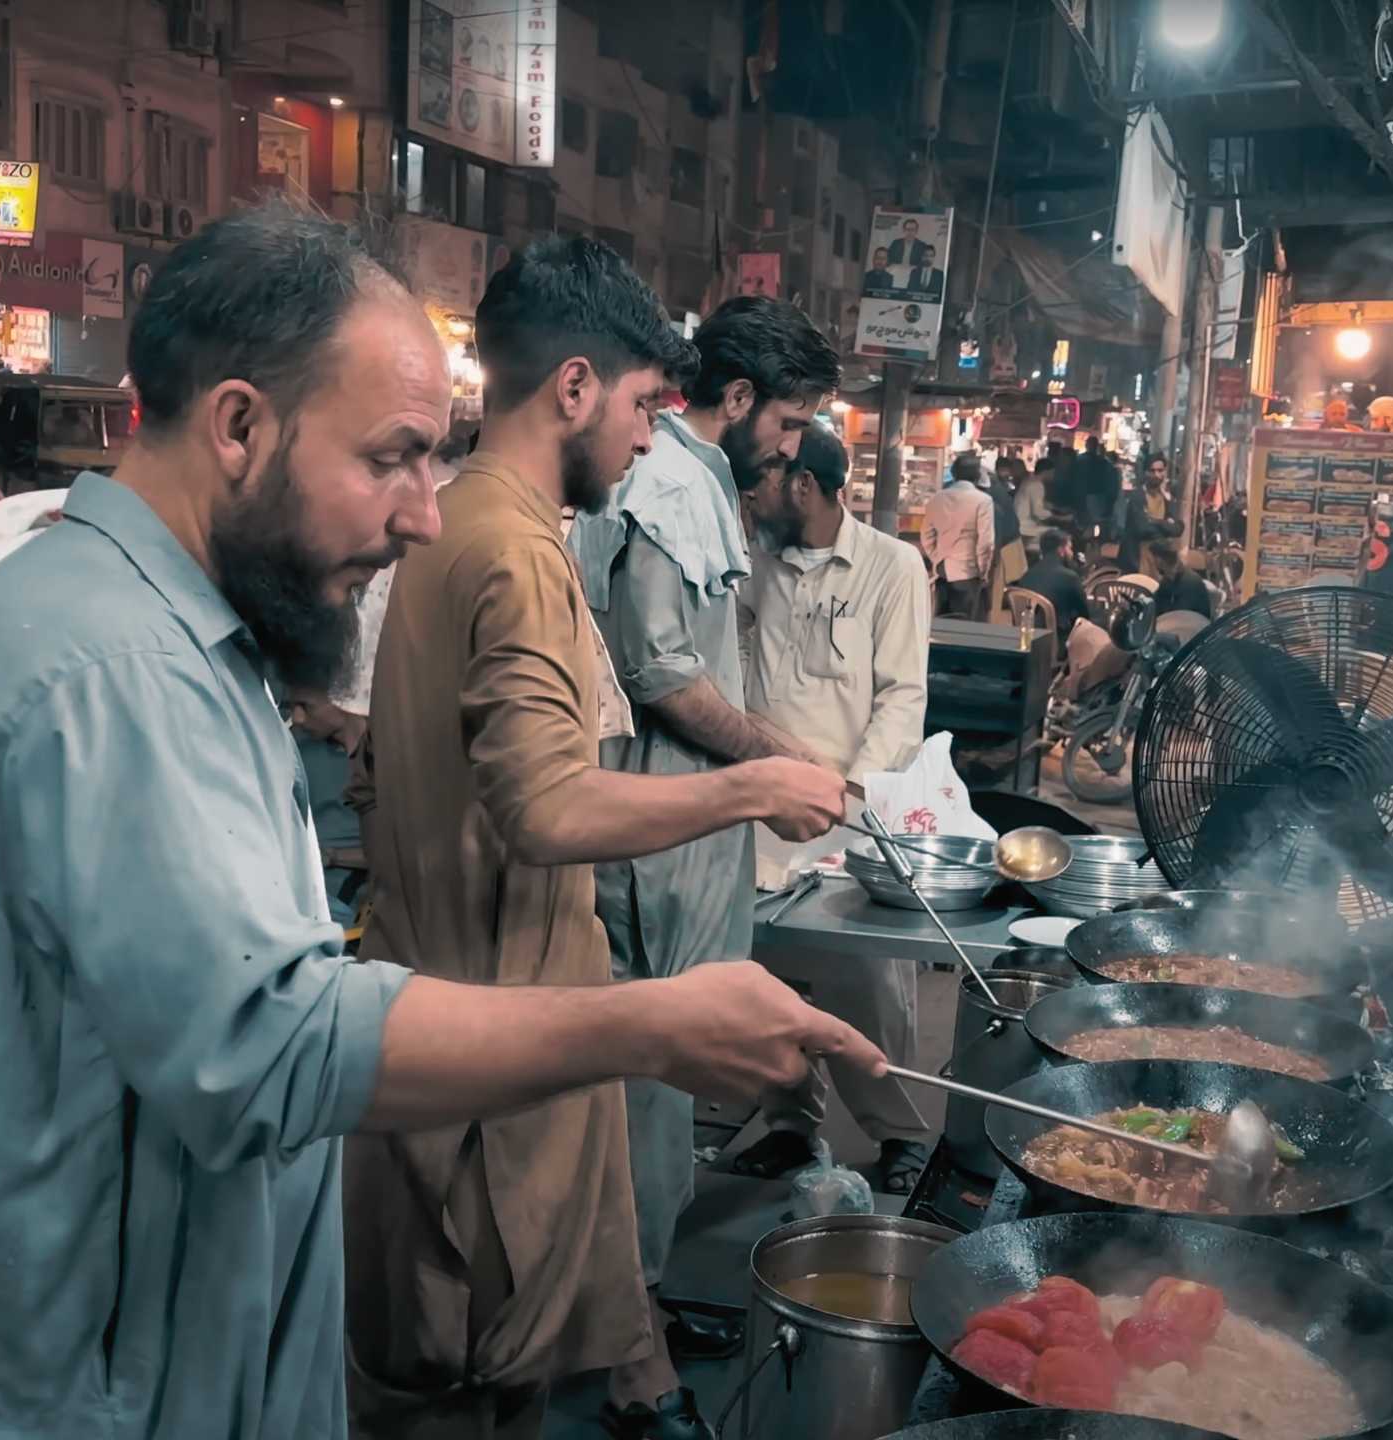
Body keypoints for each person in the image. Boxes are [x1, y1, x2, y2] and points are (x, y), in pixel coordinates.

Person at [0, 202, 882, 1440]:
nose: (422, 511)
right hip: (62, 1391)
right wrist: (653, 1023)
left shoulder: (138, 628)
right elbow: (264, 1047)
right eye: (390, 456)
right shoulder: (112, 664)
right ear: (237, 425)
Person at [342, 236, 854, 1440]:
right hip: (495, 1046)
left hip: (451, 1006)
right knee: (484, 1383)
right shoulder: (518, 551)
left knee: (512, 1352)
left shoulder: (453, 522)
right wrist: (754, 783)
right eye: (636, 406)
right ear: (572, 388)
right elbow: (548, 805)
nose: (643, 437)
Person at [567, 293, 845, 1440]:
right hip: (660, 845)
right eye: (788, 423)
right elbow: (660, 676)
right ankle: (634, 1372)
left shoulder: (691, 481)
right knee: (643, 1101)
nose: (793, 449)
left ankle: (635, 1322)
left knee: (655, 1100)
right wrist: (780, 760)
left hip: (683, 831)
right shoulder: (675, 482)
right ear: (735, 401)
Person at [733, 426, 935, 1189]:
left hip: (851, 814)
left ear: (808, 488)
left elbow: (900, 698)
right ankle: (791, 1127)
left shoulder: (892, 567)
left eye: (769, 482)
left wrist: (849, 795)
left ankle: (901, 1136)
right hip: (762, 810)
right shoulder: (756, 564)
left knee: (869, 989)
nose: (756, 496)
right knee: (770, 982)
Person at [920, 449, 995, 617]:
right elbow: (986, 542)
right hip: (968, 572)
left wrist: (937, 557)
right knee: (965, 626)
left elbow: (926, 535)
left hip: (942, 571)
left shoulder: (937, 498)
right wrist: (983, 572)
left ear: (953, 474)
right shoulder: (983, 501)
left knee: (941, 623)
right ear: (976, 476)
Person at [1116, 453, 1178, 573]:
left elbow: (1177, 528)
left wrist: (1155, 521)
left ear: (1165, 472)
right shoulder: (1137, 496)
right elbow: (1142, 528)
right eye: (1152, 470)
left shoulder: (1166, 498)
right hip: (1137, 561)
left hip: (1158, 561)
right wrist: (1166, 526)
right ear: (1146, 473)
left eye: (1160, 470)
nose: (1156, 475)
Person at [985, 453, 1029, 621]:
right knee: (1000, 591)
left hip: (1003, 547)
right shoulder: (998, 489)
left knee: (997, 590)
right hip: (1009, 543)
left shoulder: (992, 493)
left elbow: (998, 529)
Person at [1148, 539, 1214, 620]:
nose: (1151, 562)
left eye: (1153, 558)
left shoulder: (1190, 583)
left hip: (1192, 628)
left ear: (1159, 560)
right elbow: (1156, 607)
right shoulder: (1167, 581)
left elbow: (1181, 616)